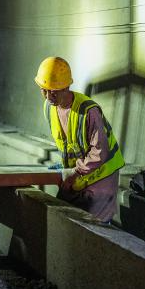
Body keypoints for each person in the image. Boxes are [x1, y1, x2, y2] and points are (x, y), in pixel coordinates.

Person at [34, 57, 124, 224]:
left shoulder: (89, 111)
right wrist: (68, 169)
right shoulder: (49, 107)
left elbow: (99, 152)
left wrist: (75, 172)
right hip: (78, 175)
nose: (48, 96)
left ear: (66, 87)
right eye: (44, 90)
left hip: (101, 178)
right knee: (64, 218)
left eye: (53, 91)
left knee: (96, 227)